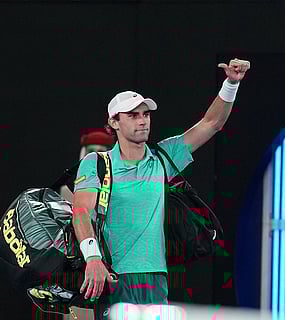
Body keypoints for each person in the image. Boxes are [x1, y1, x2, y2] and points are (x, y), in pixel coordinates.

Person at [71, 58, 250, 319]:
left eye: (145, 114)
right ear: (114, 123)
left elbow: (211, 123)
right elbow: (81, 212)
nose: (142, 121)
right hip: (111, 278)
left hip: (155, 280)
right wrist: (93, 258)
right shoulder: (96, 163)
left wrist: (231, 84)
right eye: (133, 115)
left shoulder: (163, 159)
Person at [59, 129, 114, 203]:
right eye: (91, 151)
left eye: (100, 151)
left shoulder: (120, 187)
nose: (95, 156)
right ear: (84, 153)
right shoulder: (68, 190)